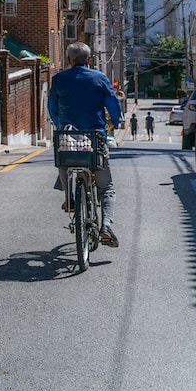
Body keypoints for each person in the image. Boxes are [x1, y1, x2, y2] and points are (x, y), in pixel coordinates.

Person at [48, 41, 123, 248]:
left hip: (68, 139)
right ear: (89, 60)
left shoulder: (59, 79)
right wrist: (115, 122)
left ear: (69, 59)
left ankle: (69, 197)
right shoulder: (100, 79)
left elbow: (52, 107)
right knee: (106, 187)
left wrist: (61, 124)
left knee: (63, 160)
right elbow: (113, 106)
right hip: (94, 138)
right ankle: (106, 226)